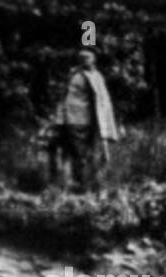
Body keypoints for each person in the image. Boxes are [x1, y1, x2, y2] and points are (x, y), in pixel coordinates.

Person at [53, 50, 119, 191]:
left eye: (88, 57)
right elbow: (63, 97)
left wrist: (105, 126)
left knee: (91, 155)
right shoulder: (73, 75)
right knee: (73, 153)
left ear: (94, 59)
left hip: (89, 121)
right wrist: (60, 118)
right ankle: (77, 185)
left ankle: (90, 186)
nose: (84, 59)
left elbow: (102, 102)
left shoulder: (96, 77)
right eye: (82, 57)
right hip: (71, 120)